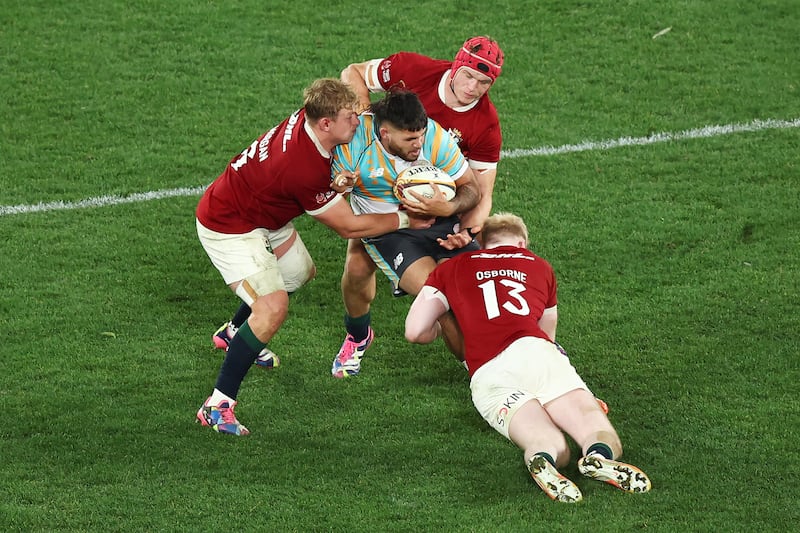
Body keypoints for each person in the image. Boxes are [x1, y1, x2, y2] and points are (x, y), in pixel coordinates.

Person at [195, 78, 432, 436]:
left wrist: (334, 181)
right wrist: (406, 218)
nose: (358, 121)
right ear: (326, 123)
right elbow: (350, 227)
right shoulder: (301, 166)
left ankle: (233, 333)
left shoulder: (311, 127)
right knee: (272, 308)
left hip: (262, 215)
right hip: (231, 226)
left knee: (298, 273)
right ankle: (218, 403)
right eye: (351, 117)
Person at [404, 213, 651, 502]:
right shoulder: (540, 267)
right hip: (536, 353)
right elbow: (548, 334)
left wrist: (442, 322)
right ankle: (598, 455)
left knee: (548, 441)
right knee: (593, 425)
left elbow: (415, 331)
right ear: (522, 243)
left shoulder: (452, 268)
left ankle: (543, 459)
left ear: (483, 245)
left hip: (488, 372)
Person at [332, 36, 503, 376]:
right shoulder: (410, 70)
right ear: (456, 64)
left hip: (439, 205)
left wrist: (465, 228)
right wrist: (366, 124)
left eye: (484, 82)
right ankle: (358, 336)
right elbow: (353, 72)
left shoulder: (481, 126)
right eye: (468, 76)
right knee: (357, 270)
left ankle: (492, 368)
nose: (473, 88)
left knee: (472, 293)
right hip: (380, 206)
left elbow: (479, 191)